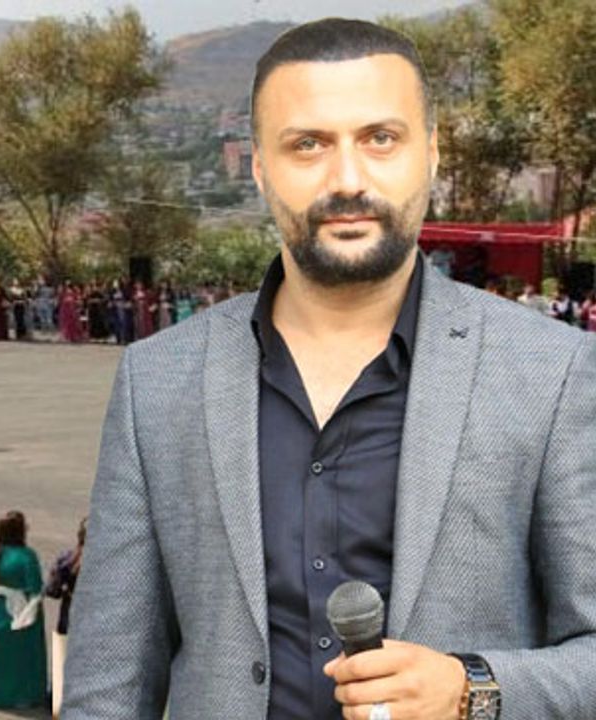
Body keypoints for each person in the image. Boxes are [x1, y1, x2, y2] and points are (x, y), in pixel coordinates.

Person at [64, 18, 596, 720]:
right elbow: (105, 688)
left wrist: (472, 689)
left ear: (431, 153)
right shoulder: (155, 382)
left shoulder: (552, 373)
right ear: (260, 167)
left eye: (381, 138)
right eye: (308, 144)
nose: (348, 179)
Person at [0, 511, 47, 710]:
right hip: (20, 607)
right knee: (23, 654)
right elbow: (36, 587)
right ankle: (22, 695)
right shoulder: (27, 555)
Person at [45, 517, 85, 719]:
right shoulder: (109, 564)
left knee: (63, 656)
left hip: (69, 613)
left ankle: (57, 701)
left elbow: (52, 591)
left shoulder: (67, 559)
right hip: (96, 617)